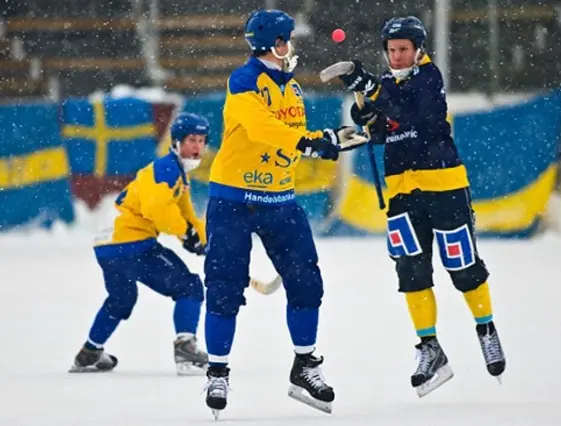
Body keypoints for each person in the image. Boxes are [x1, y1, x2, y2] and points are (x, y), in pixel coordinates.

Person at [201, 8, 365, 416]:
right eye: (286, 39)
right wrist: (311, 141)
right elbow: (262, 129)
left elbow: (287, 140)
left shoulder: (290, 87)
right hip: (233, 200)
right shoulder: (244, 80)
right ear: (273, 43)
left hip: (279, 200)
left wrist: (334, 138)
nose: (290, 46)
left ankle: (305, 366)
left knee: (307, 283)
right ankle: (217, 371)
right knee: (223, 288)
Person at [338, 16, 506, 397]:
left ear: (418, 49)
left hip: (443, 185)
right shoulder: (383, 85)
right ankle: (429, 347)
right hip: (402, 191)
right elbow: (384, 130)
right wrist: (365, 119)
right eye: (391, 50)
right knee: (411, 273)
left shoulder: (430, 78)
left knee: (463, 267)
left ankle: (486, 329)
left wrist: (375, 95)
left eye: (403, 50)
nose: (396, 57)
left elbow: (414, 118)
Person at [69, 112, 211, 375]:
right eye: (192, 140)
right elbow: (158, 208)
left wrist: (204, 242)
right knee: (189, 287)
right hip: (132, 244)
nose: (197, 147)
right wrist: (187, 234)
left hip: (107, 246)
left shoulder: (176, 175)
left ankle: (89, 353)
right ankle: (186, 352)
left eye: (202, 141)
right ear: (177, 141)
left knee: (121, 299)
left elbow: (187, 217)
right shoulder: (167, 168)